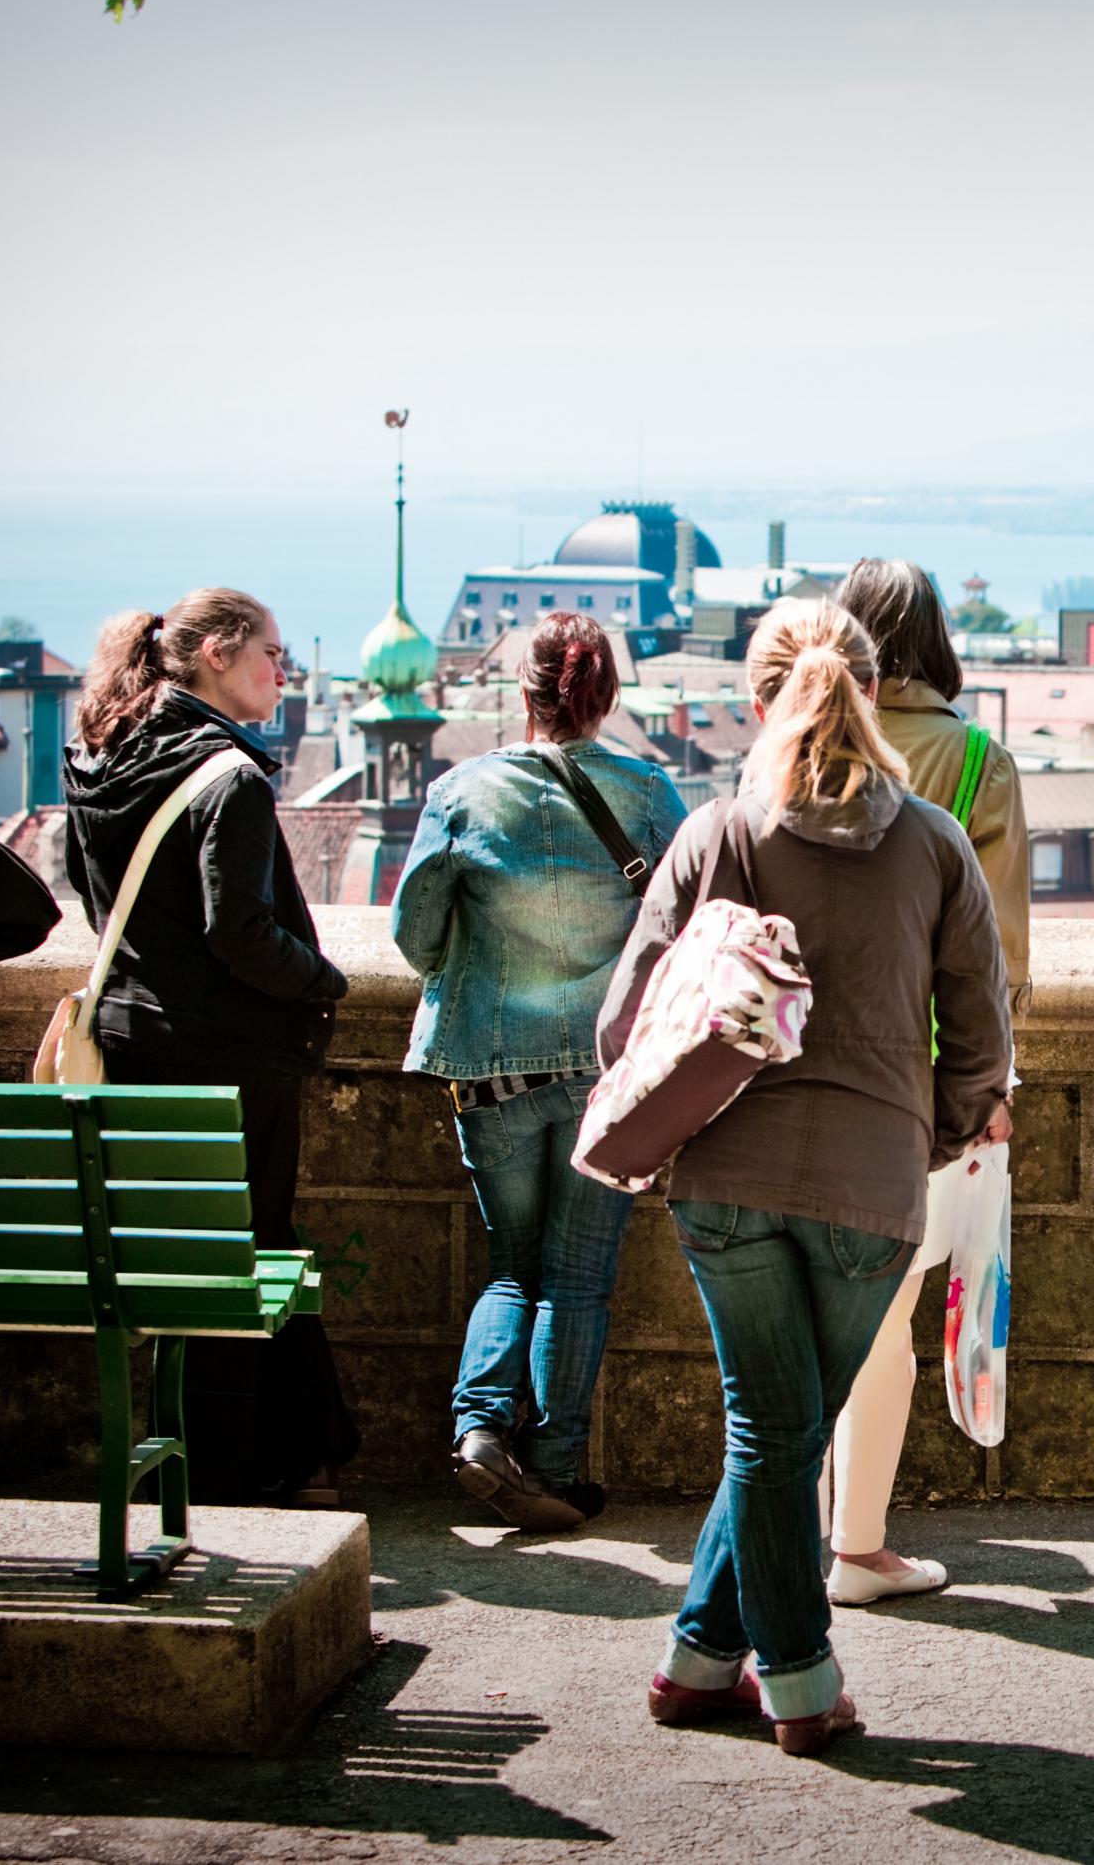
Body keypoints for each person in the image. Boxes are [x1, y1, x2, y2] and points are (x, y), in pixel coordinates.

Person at [598, 598, 1010, 1757]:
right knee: (781, 1430)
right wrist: (922, 1136)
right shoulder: (934, 841)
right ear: (873, 695)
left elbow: (627, 1019)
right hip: (875, 1183)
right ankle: (798, 1675)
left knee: (768, 1431)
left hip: (727, 1174)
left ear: (755, 699)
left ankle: (699, 1660)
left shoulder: (716, 831)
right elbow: (981, 1044)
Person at [392, 613, 688, 1532]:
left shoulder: (461, 792)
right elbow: (693, 922)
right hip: (607, 1074)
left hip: (492, 1070)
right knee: (580, 1274)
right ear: (604, 694)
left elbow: (414, 936)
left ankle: (481, 1428)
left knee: (511, 1266)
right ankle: (554, 1464)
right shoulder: (647, 794)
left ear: (521, 692)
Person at [63, 589, 359, 1507]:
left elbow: (93, 897)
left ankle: (296, 1450)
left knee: (180, 1257)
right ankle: (235, 1470)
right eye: (276, 654)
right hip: (227, 1055)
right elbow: (238, 931)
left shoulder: (101, 757)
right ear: (220, 653)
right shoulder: (226, 775)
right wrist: (325, 981)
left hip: (129, 1040)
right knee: (239, 1260)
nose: (286, 672)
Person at [819, 558, 1031, 1607]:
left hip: (796, 1072)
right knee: (887, 1317)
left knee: (810, 1316)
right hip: (923, 1078)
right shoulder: (977, 759)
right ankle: (859, 1547)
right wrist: (989, 1089)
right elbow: (1001, 959)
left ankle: (813, 1530)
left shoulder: (795, 742)